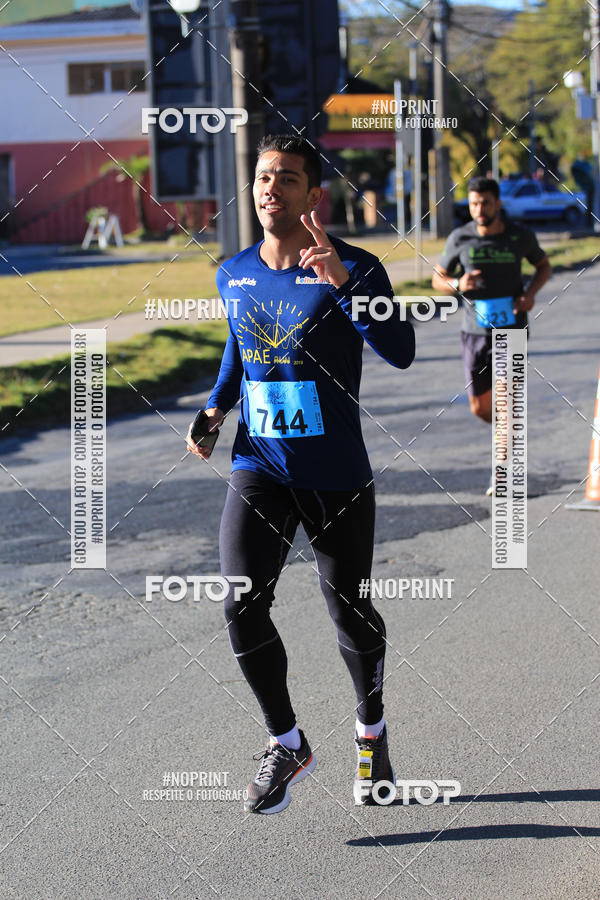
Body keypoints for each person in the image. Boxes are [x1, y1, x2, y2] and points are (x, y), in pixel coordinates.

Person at [186, 134, 415, 814]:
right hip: (260, 462)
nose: (270, 188)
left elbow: (399, 350)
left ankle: (370, 730)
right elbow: (240, 346)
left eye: (287, 178)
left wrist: (344, 286)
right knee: (239, 600)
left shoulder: (356, 267)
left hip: (335, 471)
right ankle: (287, 743)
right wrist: (215, 407)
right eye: (263, 177)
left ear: (314, 195)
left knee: (348, 609)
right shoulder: (234, 271)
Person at [431, 175, 551, 494]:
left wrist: (530, 294)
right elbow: (437, 279)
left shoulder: (519, 236)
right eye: (473, 203)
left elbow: (544, 266)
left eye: (485, 202)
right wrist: (458, 284)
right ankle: (508, 432)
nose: (479, 208)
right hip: (474, 331)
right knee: (481, 408)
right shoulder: (460, 238)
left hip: (511, 329)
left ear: (498, 203)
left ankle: (501, 471)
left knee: (505, 398)